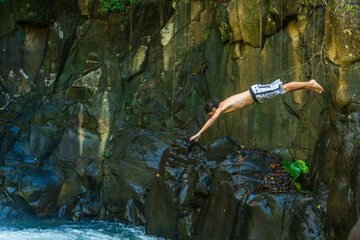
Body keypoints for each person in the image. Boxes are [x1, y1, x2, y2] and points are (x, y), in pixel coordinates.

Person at [189, 79, 323, 142]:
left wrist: (199, 132)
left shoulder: (221, 107)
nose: (212, 116)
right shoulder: (223, 105)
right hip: (257, 95)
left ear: (214, 109)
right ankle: (308, 86)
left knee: (285, 88)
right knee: (284, 89)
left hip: (256, 94)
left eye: (211, 113)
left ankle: (310, 83)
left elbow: (212, 120)